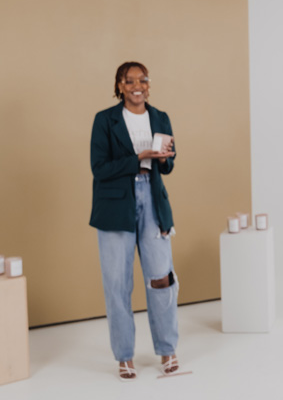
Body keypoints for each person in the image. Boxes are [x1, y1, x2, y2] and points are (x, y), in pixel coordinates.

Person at [90, 61, 180, 380]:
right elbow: (99, 169)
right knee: (117, 284)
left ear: (148, 84)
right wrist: (139, 158)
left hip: (153, 201)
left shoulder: (160, 117)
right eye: (129, 81)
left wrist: (166, 157)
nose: (137, 85)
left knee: (161, 278)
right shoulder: (105, 120)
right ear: (120, 86)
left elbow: (167, 167)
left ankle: (168, 349)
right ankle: (124, 356)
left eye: (142, 80)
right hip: (116, 205)